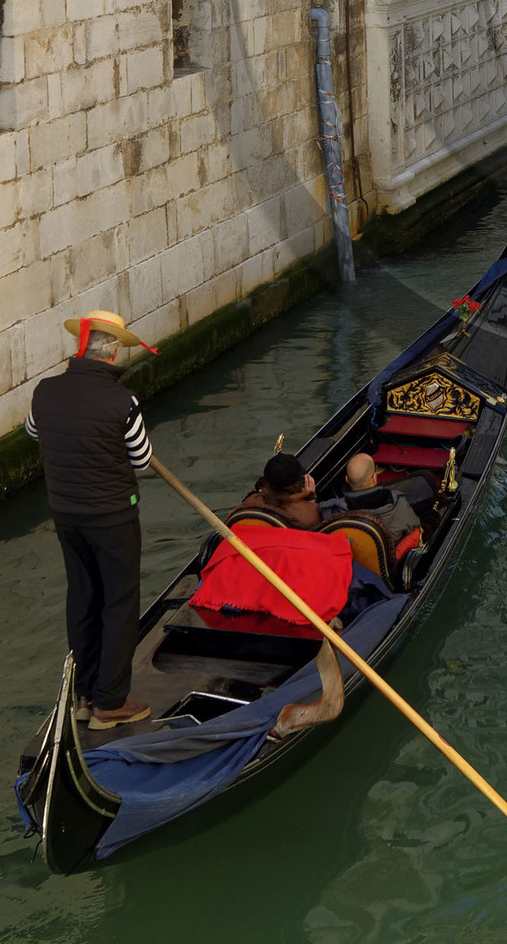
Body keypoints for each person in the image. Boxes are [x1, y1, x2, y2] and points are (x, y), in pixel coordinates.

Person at [26, 310, 158, 729]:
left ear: (79, 348)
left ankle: (84, 694)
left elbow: (35, 433)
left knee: (83, 597)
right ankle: (110, 703)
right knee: (119, 603)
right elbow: (140, 458)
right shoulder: (123, 401)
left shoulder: (44, 392)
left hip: (66, 515)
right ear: (114, 352)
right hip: (113, 517)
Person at [189, 451, 353, 625]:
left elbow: (271, 500)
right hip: (288, 574)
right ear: (299, 483)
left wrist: (296, 497)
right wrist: (310, 498)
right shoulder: (310, 513)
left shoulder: (251, 502)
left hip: (246, 577)